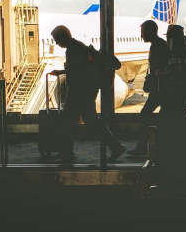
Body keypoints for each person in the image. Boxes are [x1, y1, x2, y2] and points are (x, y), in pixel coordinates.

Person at [48, 25, 125, 163]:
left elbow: (79, 70)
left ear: (63, 38)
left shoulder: (74, 49)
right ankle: (115, 147)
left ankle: (67, 154)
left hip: (80, 92)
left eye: (57, 40)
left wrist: (66, 72)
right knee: (89, 121)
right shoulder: (77, 47)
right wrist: (62, 72)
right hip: (85, 91)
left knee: (68, 122)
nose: (57, 43)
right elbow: (80, 68)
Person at [130, 19, 169, 155]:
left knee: (145, 115)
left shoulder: (159, 46)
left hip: (161, 89)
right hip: (159, 89)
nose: (141, 35)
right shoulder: (158, 45)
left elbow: (166, 67)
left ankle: (144, 147)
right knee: (154, 116)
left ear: (150, 32)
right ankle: (148, 146)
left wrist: (159, 74)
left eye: (143, 32)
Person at [161, 24, 186, 117]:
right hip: (183, 87)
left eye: (169, 36)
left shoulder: (173, 51)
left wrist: (162, 72)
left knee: (170, 112)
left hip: (174, 87)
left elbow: (174, 69)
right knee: (182, 111)